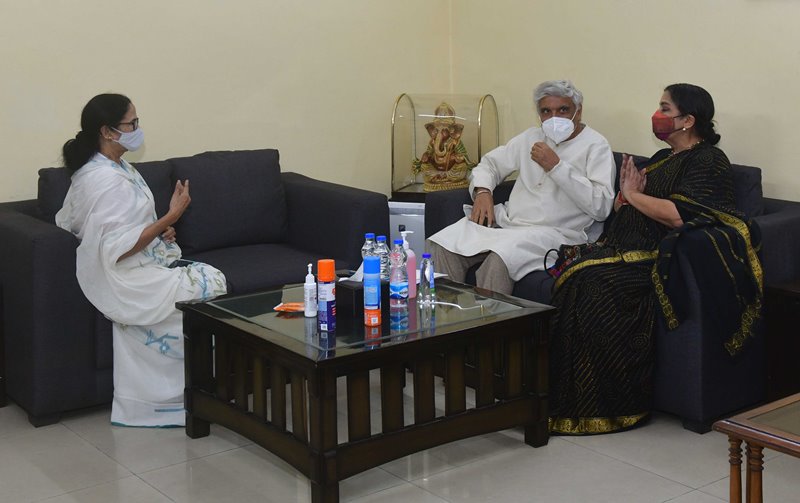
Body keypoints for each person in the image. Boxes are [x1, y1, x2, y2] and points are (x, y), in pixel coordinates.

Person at [548, 83, 762, 435]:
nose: (657, 115)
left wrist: (632, 195)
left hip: (654, 258)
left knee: (589, 283)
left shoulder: (708, 159)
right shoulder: (663, 159)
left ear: (688, 120)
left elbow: (681, 215)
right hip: (618, 248)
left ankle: (609, 408)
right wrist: (623, 200)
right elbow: (633, 203)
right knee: (575, 277)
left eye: (665, 108)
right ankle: (557, 397)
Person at [55, 94, 227, 427]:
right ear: (108, 131)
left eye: (137, 121)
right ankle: (169, 399)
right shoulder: (102, 179)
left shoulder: (117, 166)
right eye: (131, 123)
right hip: (123, 275)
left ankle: (195, 391)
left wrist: (162, 232)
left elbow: (129, 229)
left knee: (210, 279)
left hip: (142, 261)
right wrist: (171, 216)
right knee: (208, 285)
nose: (137, 129)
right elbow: (116, 248)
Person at [427, 80, 616, 295]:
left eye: (563, 110)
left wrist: (557, 167)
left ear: (578, 112)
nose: (554, 118)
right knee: (442, 245)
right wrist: (483, 191)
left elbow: (601, 208)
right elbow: (489, 164)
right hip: (510, 224)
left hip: (558, 233)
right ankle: (449, 322)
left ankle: (489, 327)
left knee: (499, 260)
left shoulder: (596, 145)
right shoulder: (530, 137)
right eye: (546, 111)